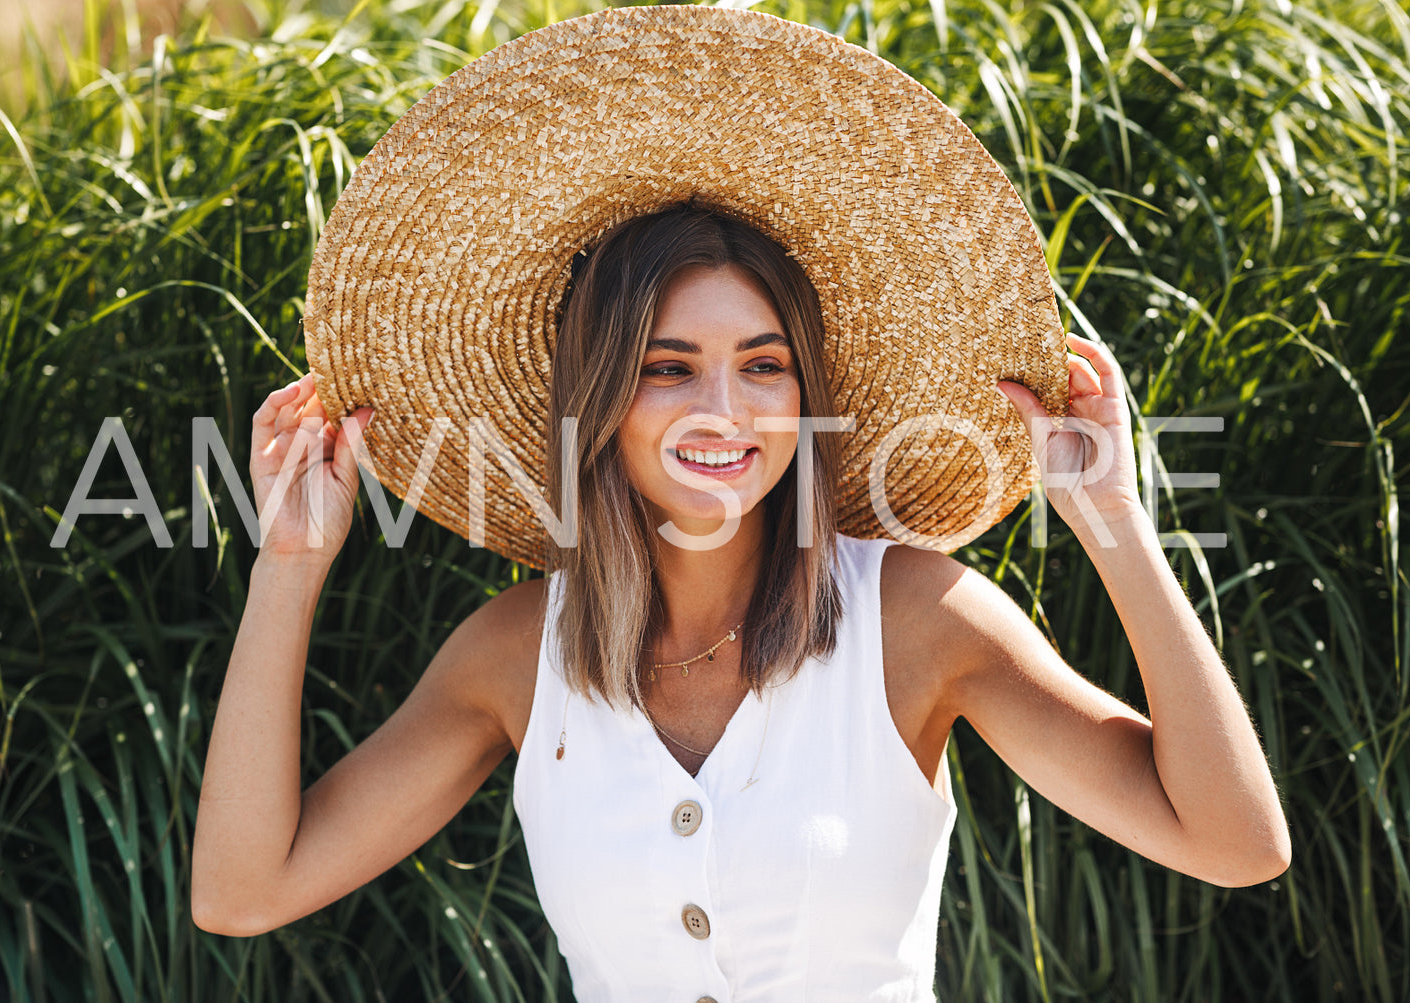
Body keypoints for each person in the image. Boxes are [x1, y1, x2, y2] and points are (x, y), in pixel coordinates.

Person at [191, 6, 1289, 1000]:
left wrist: (1113, 526)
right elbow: (243, 892)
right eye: (668, 368)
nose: (724, 410)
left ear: (803, 393)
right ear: (602, 398)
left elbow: (1235, 843)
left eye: (762, 365)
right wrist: (286, 570)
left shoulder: (916, 620)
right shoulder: (511, 653)